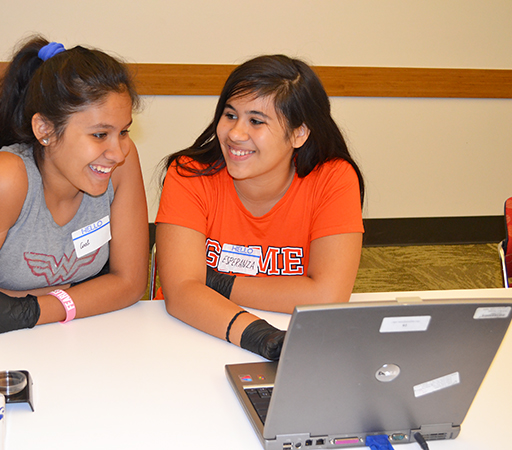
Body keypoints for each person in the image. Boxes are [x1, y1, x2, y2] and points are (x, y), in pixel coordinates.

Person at [0, 36, 149, 336]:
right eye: (100, 134)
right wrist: (71, 294)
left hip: (44, 327)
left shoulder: (120, 165)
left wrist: (31, 309)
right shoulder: (5, 179)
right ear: (45, 130)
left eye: (124, 131)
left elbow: (130, 283)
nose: (118, 152)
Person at [155, 55, 364, 360]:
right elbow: (181, 294)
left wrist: (213, 282)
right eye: (229, 115)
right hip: (193, 332)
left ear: (298, 133)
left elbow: (327, 296)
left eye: (256, 121)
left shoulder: (332, 179)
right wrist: (262, 338)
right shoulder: (189, 174)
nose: (236, 134)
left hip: (289, 336)